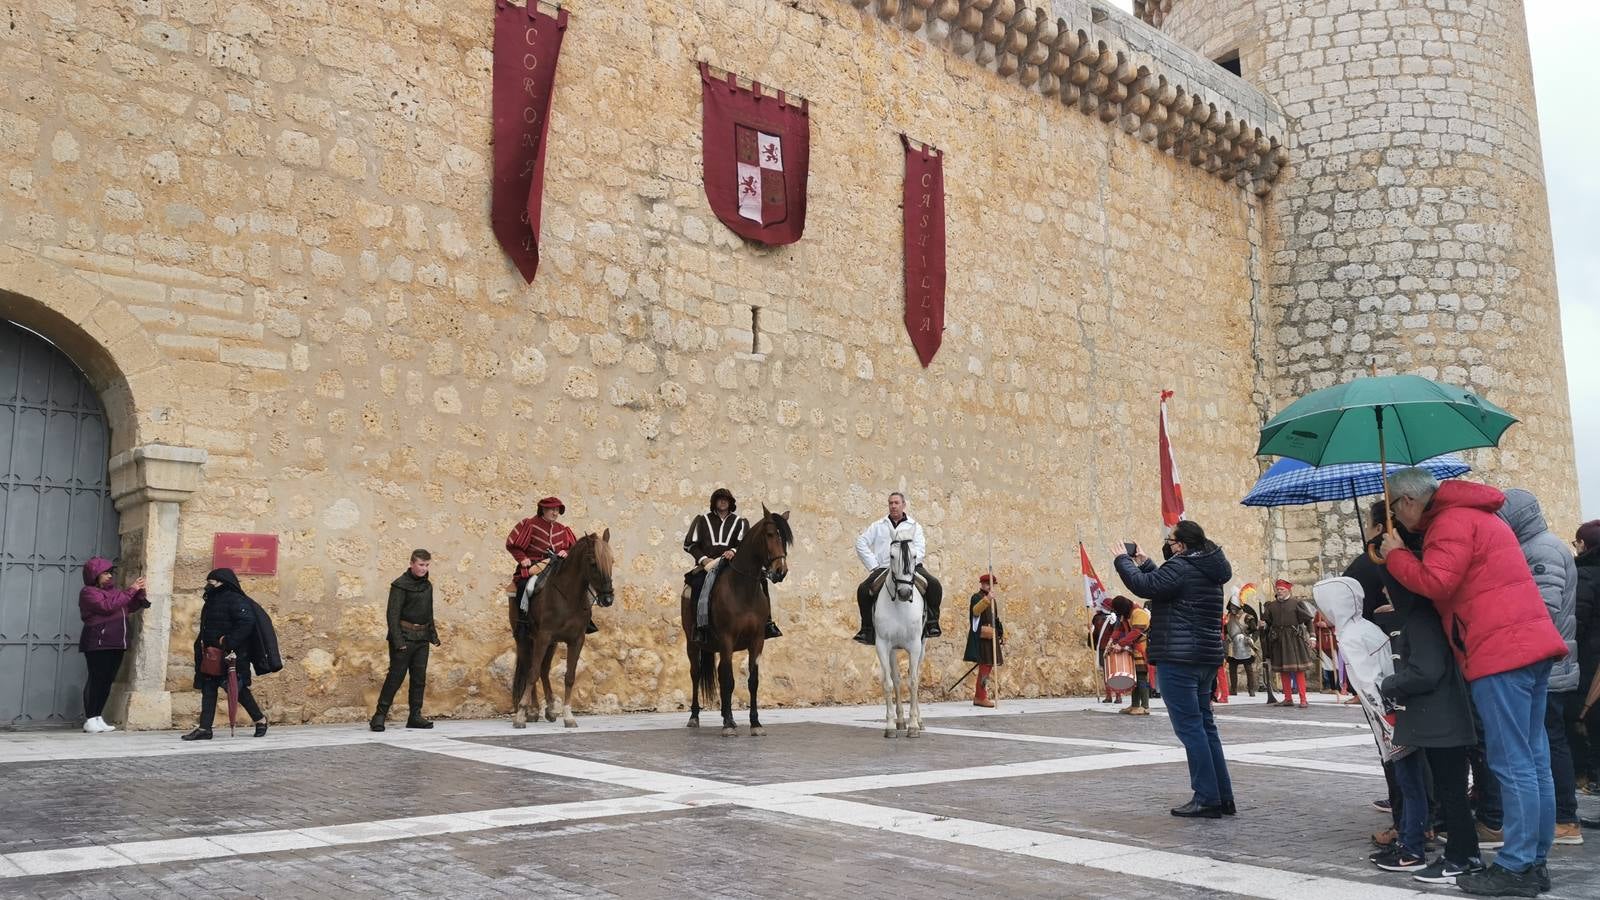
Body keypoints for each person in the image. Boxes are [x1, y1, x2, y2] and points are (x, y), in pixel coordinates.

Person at [1381, 469, 1569, 896]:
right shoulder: (1479, 515)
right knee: (1533, 759)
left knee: (1512, 762)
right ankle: (1534, 861)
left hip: (1499, 651)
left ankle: (1517, 865)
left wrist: (1396, 555)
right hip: (1529, 646)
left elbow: (1436, 582)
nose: (1395, 518)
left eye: (1394, 509)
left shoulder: (1449, 522)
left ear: (1408, 502)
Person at [1374, 524, 1484, 882]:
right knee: (1450, 790)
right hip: (1444, 719)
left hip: (1441, 720)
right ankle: (1463, 854)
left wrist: (1391, 683)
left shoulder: (1421, 620)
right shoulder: (1429, 614)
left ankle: (1462, 857)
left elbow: (1426, 671)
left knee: (1451, 792)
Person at [1112, 520, 1234, 818]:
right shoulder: (1209, 569)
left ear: (1182, 544)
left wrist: (1122, 561)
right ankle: (1222, 795)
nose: (1169, 544)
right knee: (1206, 726)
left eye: (1171, 540)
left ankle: (1207, 797)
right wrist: (1146, 562)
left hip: (1178, 659)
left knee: (1191, 728)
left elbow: (1145, 586)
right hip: (1204, 658)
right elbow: (1169, 585)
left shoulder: (1180, 568)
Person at [1496, 489, 1583, 847]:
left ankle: (1564, 819)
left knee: (1549, 745)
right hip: (1550, 662)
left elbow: (1543, 608)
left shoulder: (1541, 550)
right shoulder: (1538, 545)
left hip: (1544, 664)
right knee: (1547, 744)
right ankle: (1559, 818)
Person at [684, 488, 781, 644]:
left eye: (726, 499)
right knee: (697, 584)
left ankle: (767, 623)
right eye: (719, 498)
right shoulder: (702, 520)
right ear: (714, 502)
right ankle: (699, 628)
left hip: (732, 564)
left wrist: (733, 551)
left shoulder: (740, 523)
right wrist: (704, 560)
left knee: (761, 580)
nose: (723, 501)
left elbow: (744, 544)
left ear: (730, 503)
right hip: (708, 564)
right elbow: (689, 544)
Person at [183, 569, 268, 741]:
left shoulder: (235, 600)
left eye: (211, 581)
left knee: (237, 689)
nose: (208, 585)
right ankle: (205, 728)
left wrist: (227, 642)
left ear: (221, 582)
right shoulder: (212, 600)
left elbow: (246, 622)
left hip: (230, 654)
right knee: (208, 689)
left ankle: (260, 719)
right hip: (211, 654)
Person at [852, 492, 942, 644]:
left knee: (934, 585)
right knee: (863, 590)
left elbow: (920, 549)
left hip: (911, 568)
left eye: (896, 503)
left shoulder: (914, 526)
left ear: (903, 505)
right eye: (890, 503)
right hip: (885, 567)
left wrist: (909, 563)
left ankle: (932, 623)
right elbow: (861, 542)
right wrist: (873, 565)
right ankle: (867, 629)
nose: (893, 506)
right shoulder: (878, 525)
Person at [77, 557, 148, 734]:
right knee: (97, 679)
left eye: (110, 573)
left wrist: (138, 595)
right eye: (105, 573)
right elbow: (107, 606)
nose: (109, 576)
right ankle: (90, 718)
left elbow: (126, 607)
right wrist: (131, 589)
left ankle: (98, 716)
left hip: (117, 642)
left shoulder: (115, 591)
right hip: (98, 642)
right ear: (95, 575)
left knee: (107, 681)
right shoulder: (88, 592)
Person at [370, 549, 439, 731]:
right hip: (404, 638)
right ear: (412, 564)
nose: (424, 569)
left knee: (419, 678)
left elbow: (428, 612)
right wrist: (398, 641)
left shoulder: (427, 586)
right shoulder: (400, 585)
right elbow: (392, 615)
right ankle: (379, 715)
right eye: (421, 565)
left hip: (422, 638)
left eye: (427, 565)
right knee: (395, 677)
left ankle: (415, 716)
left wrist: (432, 634)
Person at [506, 497, 591, 633]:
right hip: (535, 565)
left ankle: (585, 619)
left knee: (578, 583)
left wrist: (567, 551)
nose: (555, 513)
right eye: (552, 509)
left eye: (557, 510)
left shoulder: (562, 529)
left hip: (558, 567)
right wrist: (522, 558)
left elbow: (573, 549)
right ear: (543, 510)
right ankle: (522, 621)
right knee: (525, 586)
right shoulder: (530, 525)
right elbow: (512, 545)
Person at [1574, 520, 1600, 795]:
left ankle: (1592, 780)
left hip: (1590, 662)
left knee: (1589, 725)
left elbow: (1577, 623)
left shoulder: (1586, 576)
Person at [1263, 579, 1315, 708]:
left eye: (1282, 589)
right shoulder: (1271, 606)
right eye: (1278, 589)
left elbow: (1308, 621)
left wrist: (1312, 637)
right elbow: (1267, 623)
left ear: (1288, 590)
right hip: (1278, 640)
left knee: (1298, 670)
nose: (1279, 591)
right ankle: (1288, 698)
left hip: (1294, 639)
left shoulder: (1297, 603)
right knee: (1283, 670)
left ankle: (1303, 699)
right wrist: (1262, 625)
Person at [964, 574, 1005, 708]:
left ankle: (980, 695)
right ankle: (981, 697)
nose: (991, 587)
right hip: (983, 637)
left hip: (991, 636)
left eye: (992, 585)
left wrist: (1000, 632)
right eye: (989, 584)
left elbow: (994, 618)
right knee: (985, 667)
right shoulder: (977, 597)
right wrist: (987, 599)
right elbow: (975, 611)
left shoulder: (992, 600)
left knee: (987, 666)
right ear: (984, 584)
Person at [1109, 595, 1152, 715]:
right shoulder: (1126, 614)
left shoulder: (1138, 613)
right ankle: (1134, 705)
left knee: (1141, 677)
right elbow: (1120, 629)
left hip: (1142, 649)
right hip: (1135, 649)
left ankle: (1145, 706)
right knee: (1135, 678)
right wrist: (1112, 640)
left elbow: (1136, 632)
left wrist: (1121, 644)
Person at [1225, 599, 1259, 698]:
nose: (1232, 608)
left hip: (1244, 643)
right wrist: (1226, 635)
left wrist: (1252, 639)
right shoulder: (1228, 616)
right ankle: (1234, 689)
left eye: (1234, 606)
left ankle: (1251, 689)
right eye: (1231, 606)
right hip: (1232, 643)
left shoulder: (1247, 617)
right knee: (1232, 668)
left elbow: (1255, 630)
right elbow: (1225, 628)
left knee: (1248, 668)